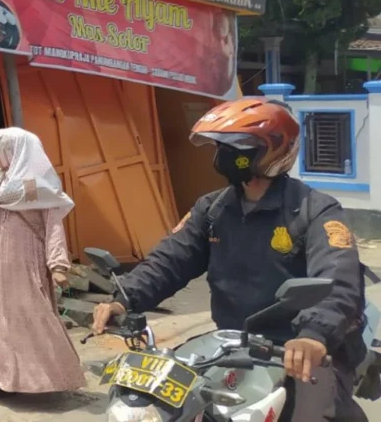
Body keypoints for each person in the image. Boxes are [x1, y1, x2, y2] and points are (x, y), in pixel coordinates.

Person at [91, 97, 367, 421]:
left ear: (273, 149)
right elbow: (170, 259)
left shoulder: (314, 209)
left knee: (317, 414)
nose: (225, 156)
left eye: (238, 147)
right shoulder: (213, 209)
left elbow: (338, 278)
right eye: (221, 147)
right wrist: (124, 299)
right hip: (233, 344)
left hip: (301, 347)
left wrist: (314, 334)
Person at [0, 127, 86, 398]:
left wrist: (57, 265)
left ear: (17, 151)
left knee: (29, 317)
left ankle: (45, 378)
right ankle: (0, 379)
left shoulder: (34, 185)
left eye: (2, 148)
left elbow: (53, 224)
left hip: (24, 261)